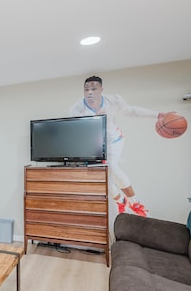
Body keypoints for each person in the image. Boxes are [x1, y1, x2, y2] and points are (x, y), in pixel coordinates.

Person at [69, 75, 166, 217]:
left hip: (113, 140)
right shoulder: (76, 109)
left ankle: (135, 203)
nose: (90, 92)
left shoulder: (113, 100)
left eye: (94, 89)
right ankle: (121, 201)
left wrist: (158, 115)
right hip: (93, 144)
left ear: (101, 89)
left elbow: (131, 111)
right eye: (86, 89)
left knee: (112, 167)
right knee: (100, 180)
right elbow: (78, 132)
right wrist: (94, 119)